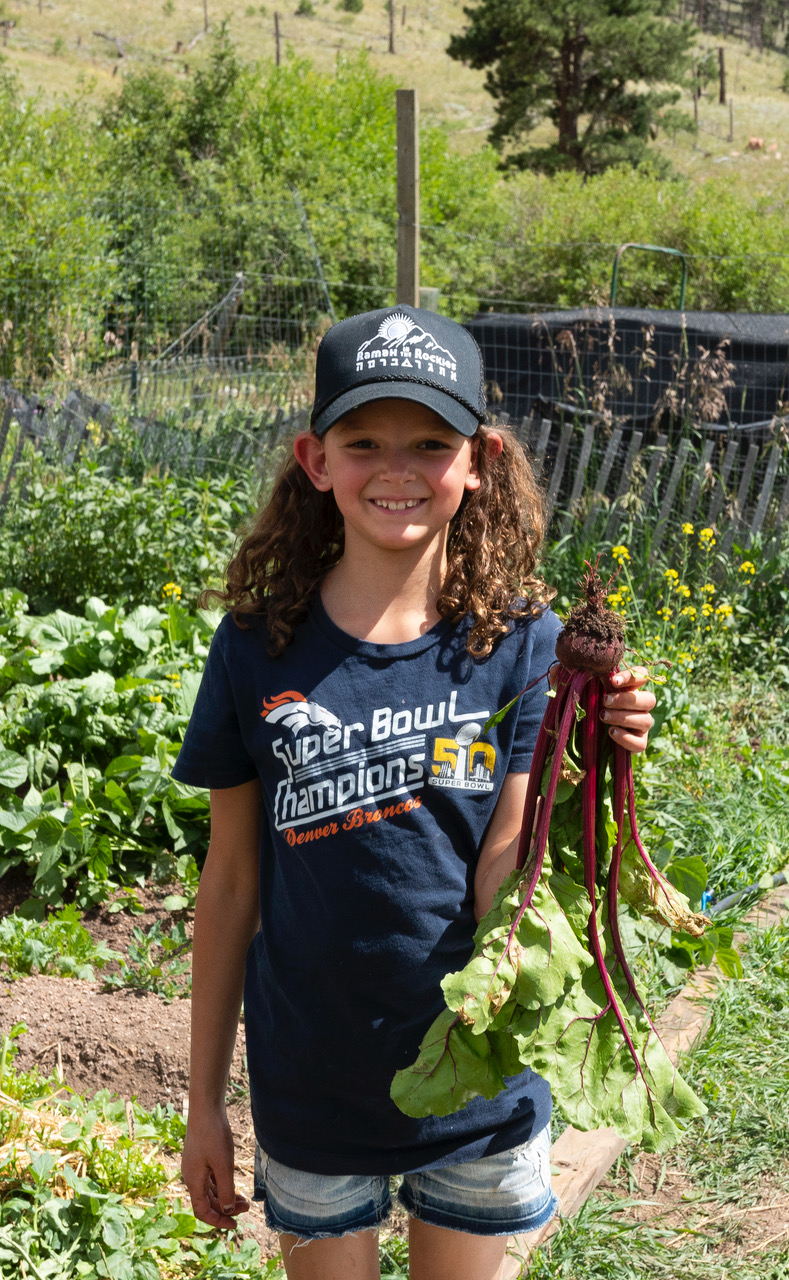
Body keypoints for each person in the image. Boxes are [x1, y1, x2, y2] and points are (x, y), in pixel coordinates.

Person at [174, 306, 655, 1280]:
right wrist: (202, 1101)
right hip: (313, 1082)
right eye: (364, 441)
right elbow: (229, 884)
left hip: (477, 1076)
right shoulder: (257, 643)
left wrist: (600, 755)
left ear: (475, 459)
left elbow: (508, 861)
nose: (397, 466)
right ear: (316, 458)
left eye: (429, 443)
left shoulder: (522, 643)